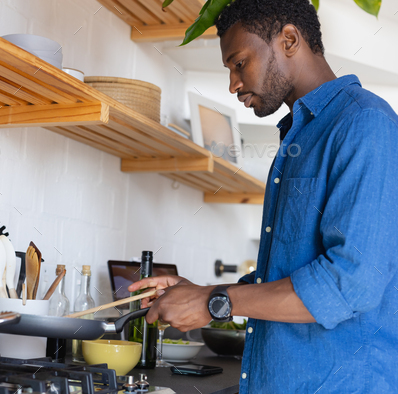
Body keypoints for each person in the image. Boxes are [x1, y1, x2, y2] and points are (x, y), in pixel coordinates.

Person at [128, 0, 398, 392]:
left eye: (239, 63)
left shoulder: (365, 124)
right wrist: (200, 294)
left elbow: (348, 282)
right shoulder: (299, 136)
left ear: (289, 39)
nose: (233, 84)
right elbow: (287, 275)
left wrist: (215, 299)